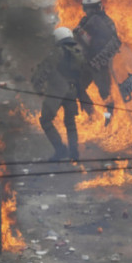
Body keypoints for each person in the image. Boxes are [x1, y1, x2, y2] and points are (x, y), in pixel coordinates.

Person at [31, 27, 89, 162]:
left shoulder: (57, 53)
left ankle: (60, 149)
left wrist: (38, 87)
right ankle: (74, 153)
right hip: (72, 91)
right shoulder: (78, 53)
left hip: (56, 92)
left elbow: (45, 70)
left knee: (45, 120)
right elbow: (83, 74)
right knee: (70, 123)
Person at [73, 0, 121, 107]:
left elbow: (113, 42)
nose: (90, 12)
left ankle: (110, 119)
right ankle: (91, 115)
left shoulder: (106, 22)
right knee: (77, 88)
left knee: (105, 95)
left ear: (98, 7)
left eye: (92, 9)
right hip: (88, 62)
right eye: (88, 9)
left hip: (100, 64)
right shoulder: (85, 21)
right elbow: (80, 39)